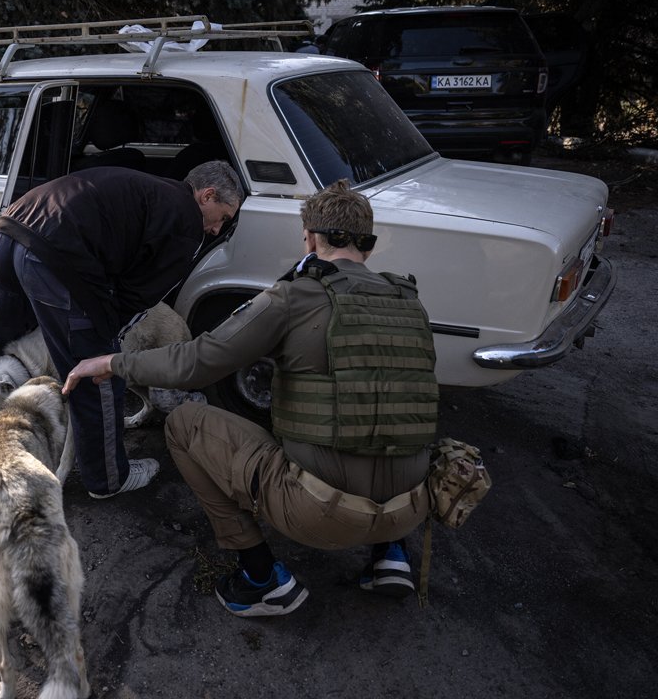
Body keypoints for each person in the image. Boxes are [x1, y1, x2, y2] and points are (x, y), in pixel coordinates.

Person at [63, 179, 438, 614]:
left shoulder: (294, 296)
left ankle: (260, 575)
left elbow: (197, 362)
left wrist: (112, 363)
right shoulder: (411, 304)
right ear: (369, 248)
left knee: (184, 423)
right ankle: (391, 554)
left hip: (322, 515)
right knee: (387, 404)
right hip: (411, 505)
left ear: (310, 239)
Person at [0, 161, 243, 500]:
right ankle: (107, 479)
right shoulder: (186, 221)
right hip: (53, 252)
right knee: (95, 373)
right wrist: (106, 343)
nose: (218, 229)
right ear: (207, 195)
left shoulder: (148, 187)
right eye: (224, 217)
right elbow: (140, 295)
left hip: (7, 231)